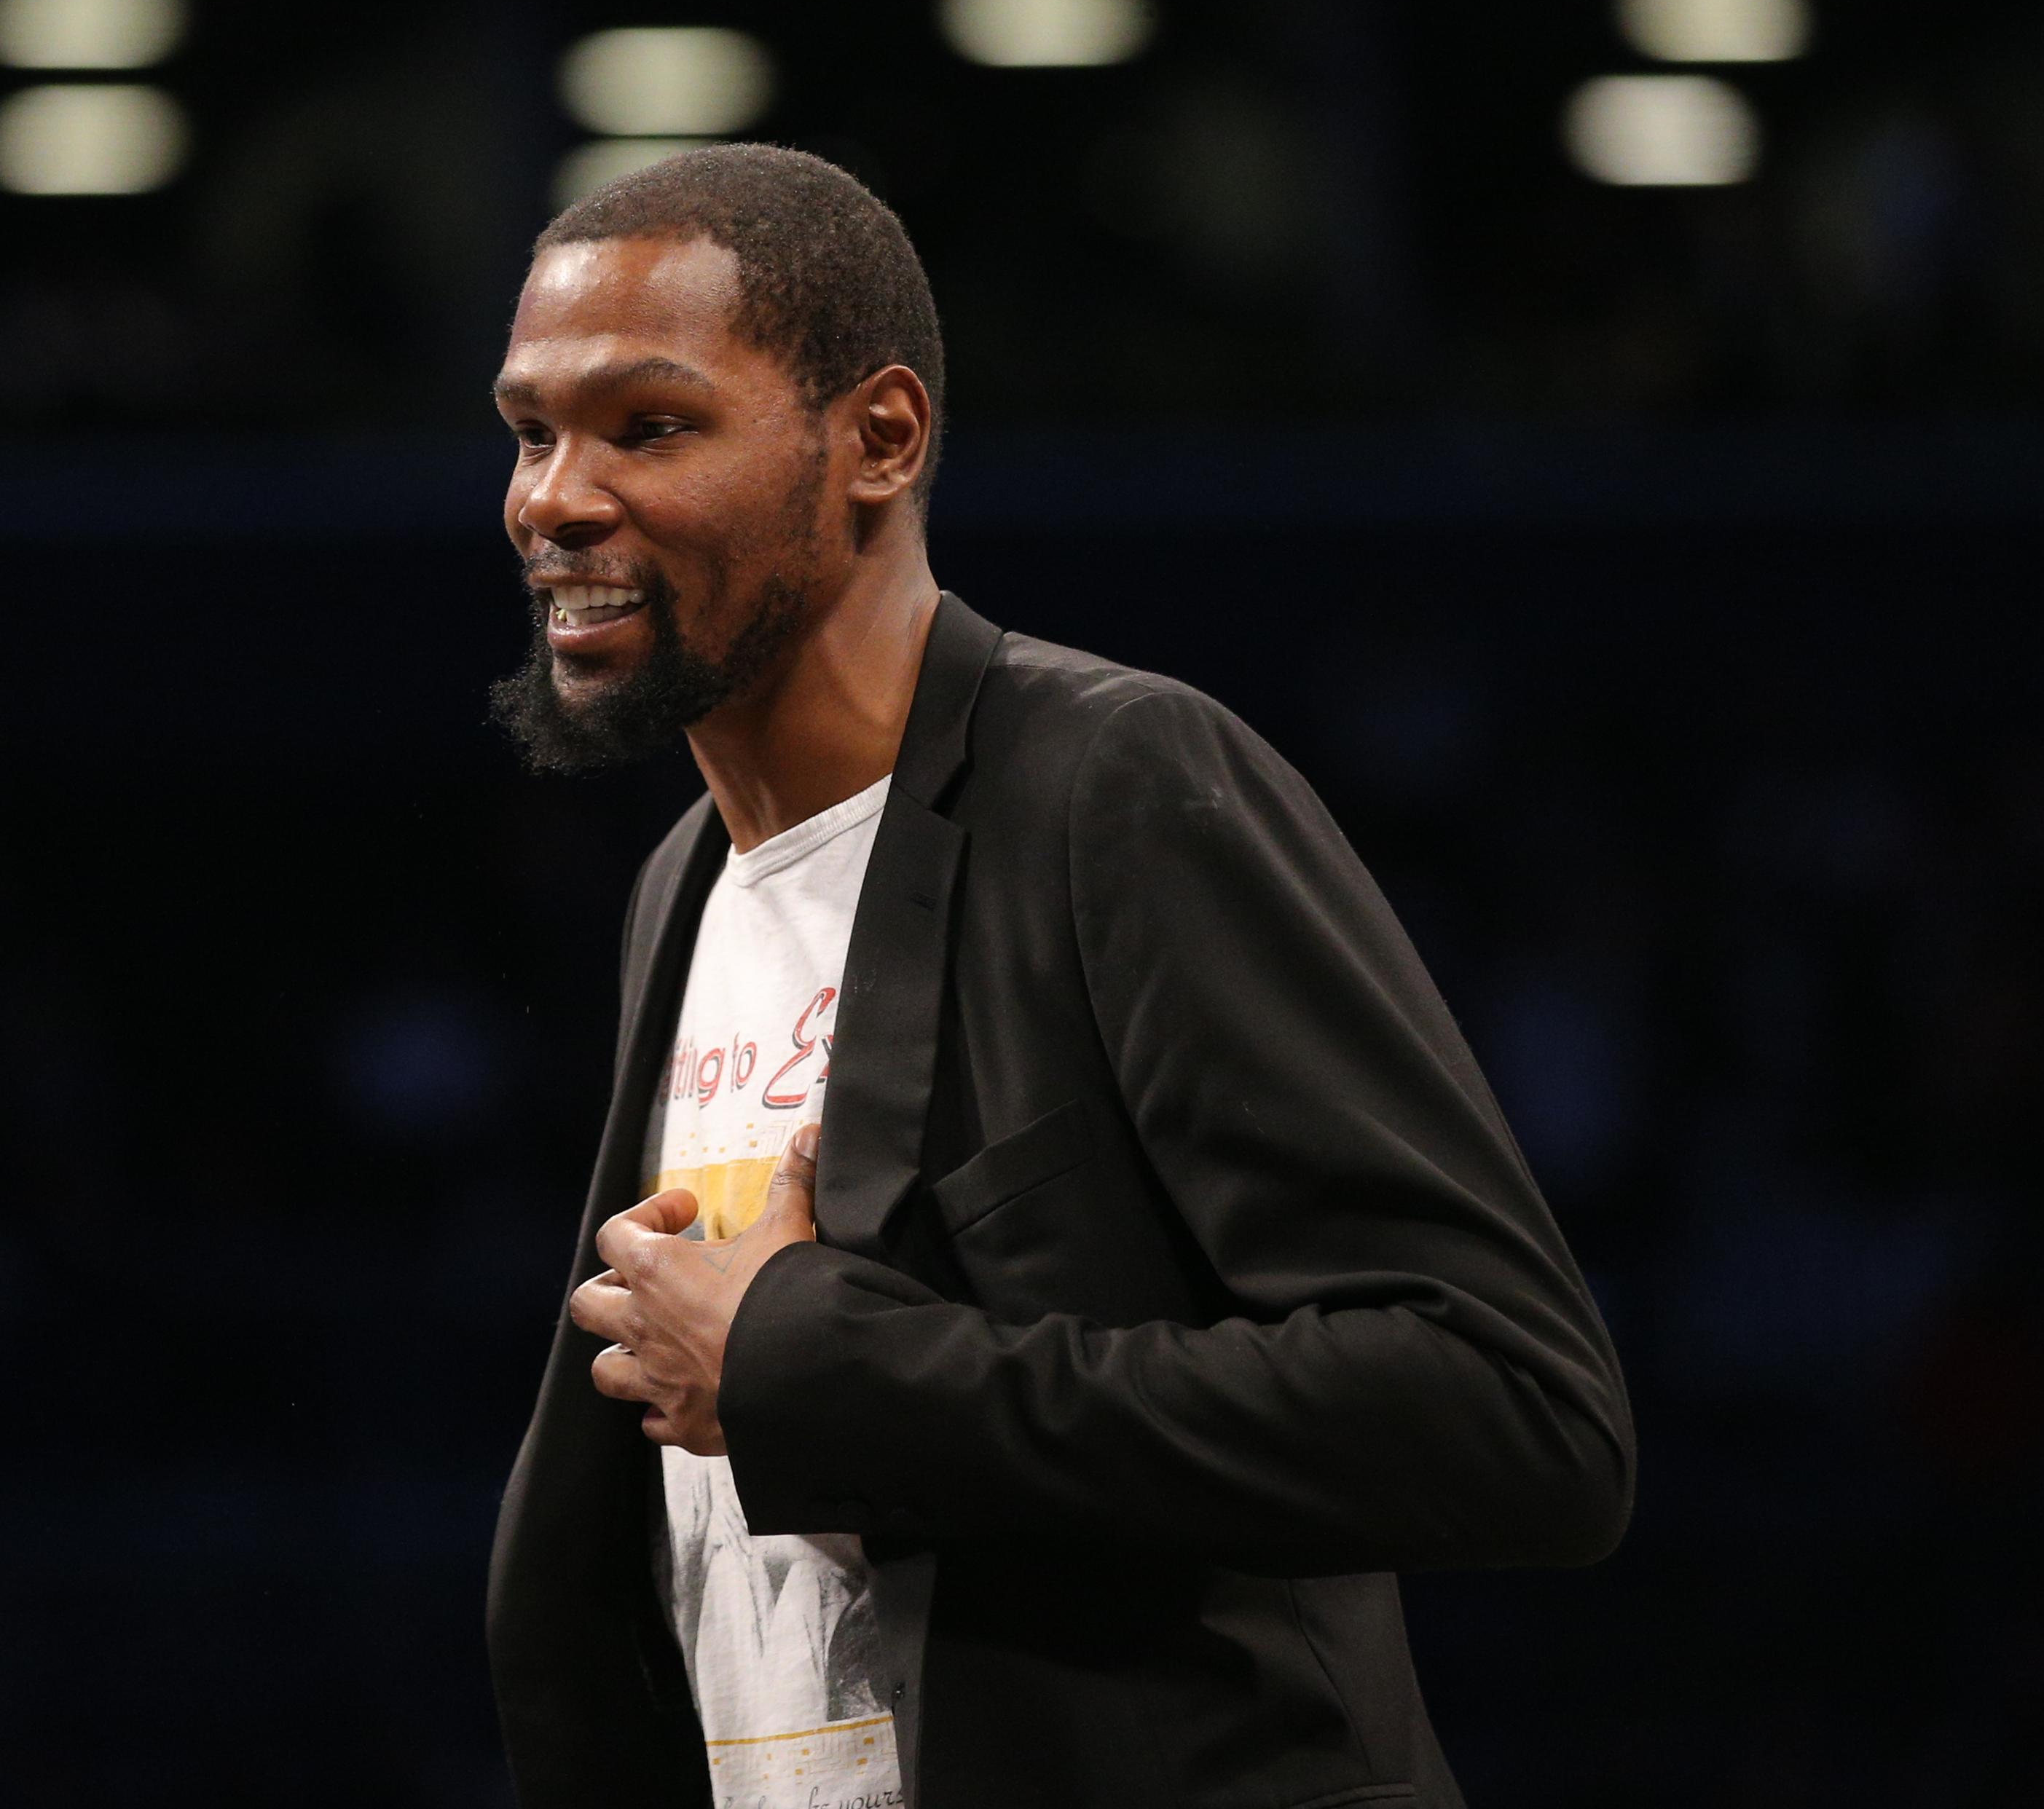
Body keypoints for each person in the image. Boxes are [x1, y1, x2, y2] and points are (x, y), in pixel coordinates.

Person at [483, 143, 1632, 1809]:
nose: (554, 497)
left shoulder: (1115, 785)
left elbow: (1516, 1412)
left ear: (879, 438)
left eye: (648, 425)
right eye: (530, 431)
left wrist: (820, 1370)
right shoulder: (685, 884)